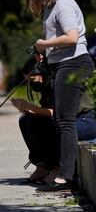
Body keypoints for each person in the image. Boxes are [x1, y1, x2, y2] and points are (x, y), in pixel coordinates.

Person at [24, 0, 95, 191]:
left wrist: (43, 44)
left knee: (65, 120)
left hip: (74, 63)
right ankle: (55, 168)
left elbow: (72, 37)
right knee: (59, 120)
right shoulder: (51, 6)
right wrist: (47, 51)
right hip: (62, 62)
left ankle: (66, 175)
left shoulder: (63, 4)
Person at [11, 56, 96, 184]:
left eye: (32, 79)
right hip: (66, 120)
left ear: (42, 72)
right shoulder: (47, 84)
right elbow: (48, 111)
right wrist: (29, 110)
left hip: (84, 121)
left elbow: (64, 115)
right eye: (28, 80)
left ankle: (57, 168)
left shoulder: (61, 82)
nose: (31, 83)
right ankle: (42, 167)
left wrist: (33, 108)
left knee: (49, 126)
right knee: (26, 120)